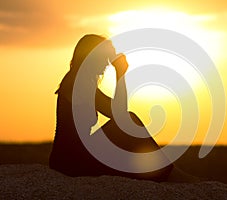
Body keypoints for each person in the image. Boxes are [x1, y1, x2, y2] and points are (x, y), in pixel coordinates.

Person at [49, 34, 197, 182]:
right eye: (104, 58)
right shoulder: (76, 83)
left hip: (79, 154)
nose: (107, 64)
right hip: (70, 161)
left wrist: (120, 73)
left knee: (130, 123)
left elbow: (120, 115)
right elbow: (120, 115)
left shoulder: (81, 81)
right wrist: (120, 74)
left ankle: (166, 171)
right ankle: (169, 172)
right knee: (130, 121)